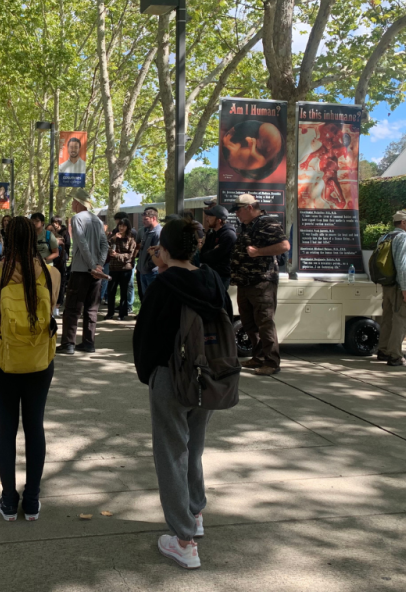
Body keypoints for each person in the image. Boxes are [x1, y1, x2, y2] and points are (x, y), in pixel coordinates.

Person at [133, 216, 232, 570]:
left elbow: (147, 338)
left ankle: (183, 539)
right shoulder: (213, 280)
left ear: (166, 247)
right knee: (194, 446)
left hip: (170, 377)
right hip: (208, 375)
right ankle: (195, 512)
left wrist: (149, 375)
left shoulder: (163, 286)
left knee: (171, 452)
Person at [0, 216, 60, 522]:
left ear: (5, 238)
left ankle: (8, 499)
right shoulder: (51, 275)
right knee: (35, 426)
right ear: (36, 237)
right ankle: (33, 500)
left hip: (4, 360)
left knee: (6, 427)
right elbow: (51, 309)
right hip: (41, 360)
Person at [229, 193, 290, 376]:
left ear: (249, 207)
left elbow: (284, 246)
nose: (236, 214)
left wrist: (258, 252)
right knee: (249, 322)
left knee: (265, 323)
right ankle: (258, 356)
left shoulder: (267, 222)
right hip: (245, 281)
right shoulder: (247, 225)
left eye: (238, 210)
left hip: (262, 281)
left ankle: (272, 362)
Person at [57, 189, 108, 354]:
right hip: (96, 272)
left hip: (80, 270)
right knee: (91, 309)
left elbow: (82, 243)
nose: (72, 204)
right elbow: (104, 245)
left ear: (78, 203)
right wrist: (99, 265)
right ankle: (88, 342)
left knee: (72, 308)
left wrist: (93, 265)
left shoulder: (77, 218)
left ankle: (68, 343)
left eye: (73, 201)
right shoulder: (97, 221)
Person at [375, 210, 406, 367]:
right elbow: (403, 265)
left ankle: (383, 350)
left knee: (387, 318)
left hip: (387, 284)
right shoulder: (405, 238)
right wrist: (405, 289)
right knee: (402, 318)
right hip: (400, 285)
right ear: (403, 223)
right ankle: (395, 355)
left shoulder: (385, 237)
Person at [105, 218, 137, 320]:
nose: (121, 227)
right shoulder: (113, 236)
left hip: (125, 268)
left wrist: (117, 255)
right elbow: (105, 246)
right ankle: (110, 313)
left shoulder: (131, 239)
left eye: (123, 226)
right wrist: (113, 238)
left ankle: (122, 313)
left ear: (127, 227)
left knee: (124, 291)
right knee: (111, 291)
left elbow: (130, 255)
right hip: (113, 268)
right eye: (119, 225)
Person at [199, 205, 236, 289]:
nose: (206, 219)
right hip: (209, 273)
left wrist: (208, 252)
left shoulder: (228, 235)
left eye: (210, 216)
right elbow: (202, 255)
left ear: (219, 220)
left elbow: (215, 256)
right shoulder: (212, 234)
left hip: (221, 276)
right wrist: (210, 251)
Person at [136, 207, 162, 301]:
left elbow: (157, 254)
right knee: (145, 298)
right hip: (143, 271)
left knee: (153, 299)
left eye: (146, 219)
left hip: (152, 272)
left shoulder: (158, 233)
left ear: (154, 218)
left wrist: (147, 266)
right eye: (143, 219)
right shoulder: (146, 231)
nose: (143, 222)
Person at [113, 211, 137, 312]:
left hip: (128, 263)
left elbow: (134, 249)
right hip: (116, 265)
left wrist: (130, 260)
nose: (119, 226)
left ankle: (129, 305)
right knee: (119, 286)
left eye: (119, 222)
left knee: (129, 284)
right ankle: (122, 305)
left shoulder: (133, 233)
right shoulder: (115, 231)